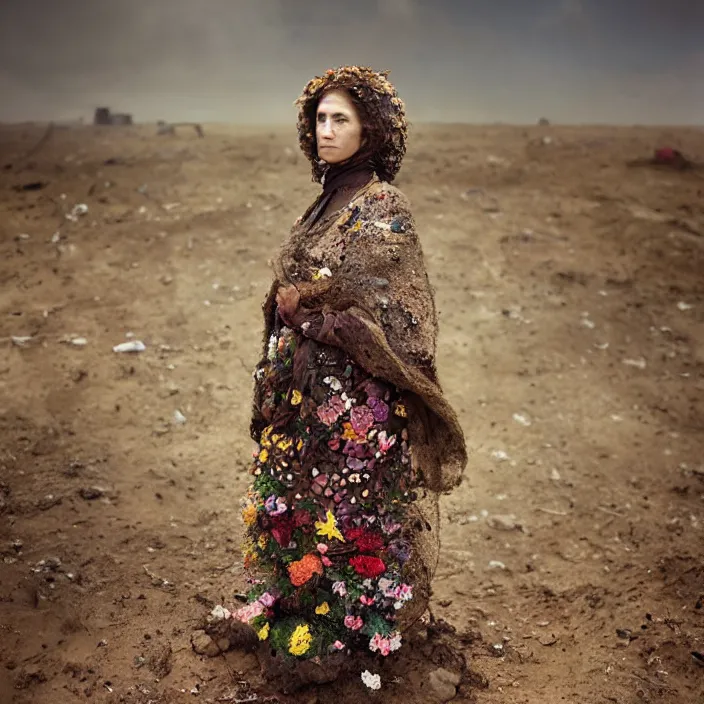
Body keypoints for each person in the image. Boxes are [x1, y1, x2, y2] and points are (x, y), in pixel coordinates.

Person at [234, 66, 467, 691]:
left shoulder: (382, 204)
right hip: (305, 396)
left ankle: (356, 632)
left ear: (370, 130)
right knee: (301, 503)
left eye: (341, 119)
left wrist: (310, 308)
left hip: (357, 404)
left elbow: (396, 310)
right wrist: (295, 308)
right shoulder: (325, 200)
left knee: (352, 511)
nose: (327, 129)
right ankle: (296, 612)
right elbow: (307, 283)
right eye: (320, 118)